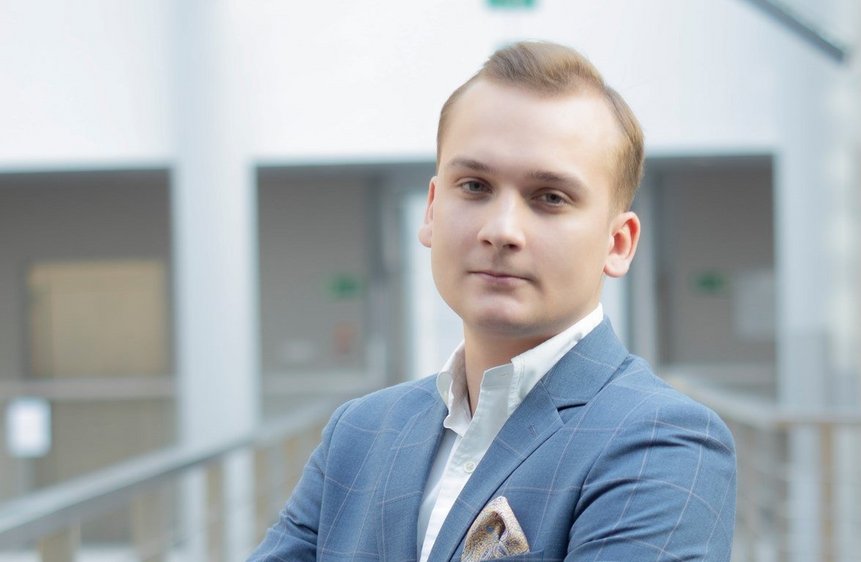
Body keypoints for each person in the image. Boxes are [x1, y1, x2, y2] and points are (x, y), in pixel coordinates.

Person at [248, 40, 736, 562]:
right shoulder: (359, 432)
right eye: (475, 186)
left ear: (618, 243)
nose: (501, 230)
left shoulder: (662, 442)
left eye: (550, 197)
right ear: (432, 210)